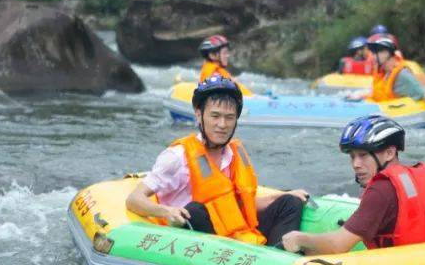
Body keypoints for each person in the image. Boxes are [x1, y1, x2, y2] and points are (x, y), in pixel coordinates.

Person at [126, 75, 307, 247]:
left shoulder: (234, 154)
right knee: (195, 211)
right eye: (215, 116)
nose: (222, 124)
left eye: (229, 118)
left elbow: (242, 205)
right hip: (195, 237)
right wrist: (167, 211)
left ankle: (278, 261)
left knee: (290, 204)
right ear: (199, 115)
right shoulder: (176, 157)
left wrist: (284, 195)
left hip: (235, 233)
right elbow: (134, 199)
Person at [282, 115, 425, 254]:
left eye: (363, 155)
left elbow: (336, 246)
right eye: (352, 156)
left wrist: (300, 239)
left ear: (389, 153)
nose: (355, 164)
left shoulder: (381, 190)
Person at [363, 33, 425, 120]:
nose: (373, 56)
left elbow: (424, 94)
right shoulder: (383, 73)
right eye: (373, 52)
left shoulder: (402, 75)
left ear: (388, 53)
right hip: (386, 108)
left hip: (404, 112)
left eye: (377, 52)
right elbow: (375, 93)